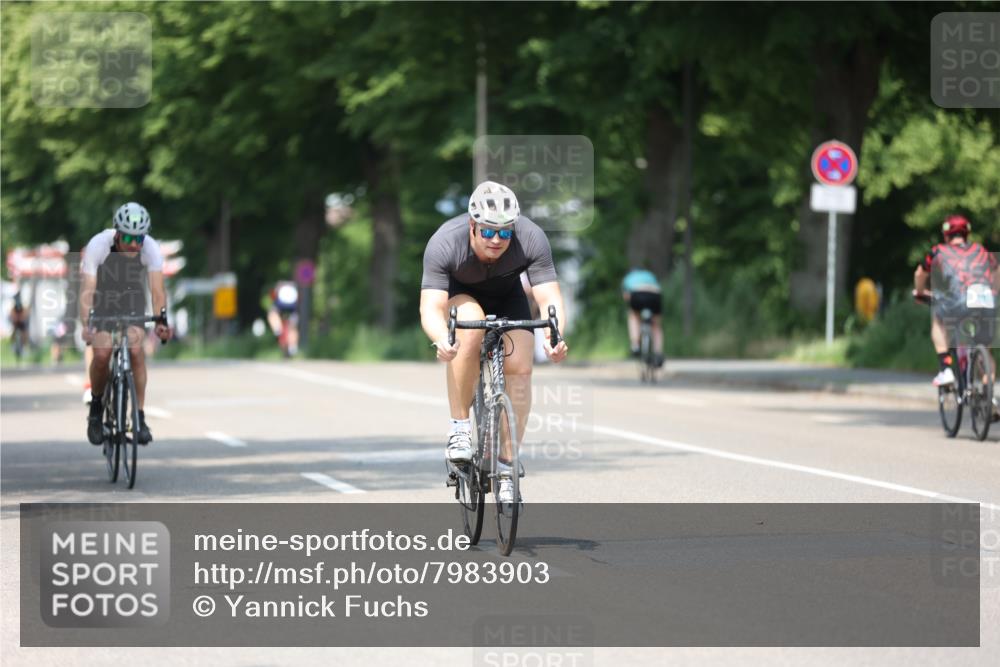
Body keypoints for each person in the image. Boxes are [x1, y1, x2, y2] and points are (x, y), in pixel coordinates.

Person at [419, 181, 569, 504]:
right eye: (487, 232)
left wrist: (555, 336)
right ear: (472, 225)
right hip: (462, 297)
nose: (497, 240)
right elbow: (430, 306)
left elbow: (549, 297)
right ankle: (459, 428)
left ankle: (507, 465)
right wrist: (440, 338)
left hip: (508, 297)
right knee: (469, 329)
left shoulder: (531, 238)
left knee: (521, 368)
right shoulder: (445, 243)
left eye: (504, 232)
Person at [80, 202, 173, 446]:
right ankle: (97, 408)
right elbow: (87, 291)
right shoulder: (98, 245)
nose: (134, 244)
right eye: (129, 237)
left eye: (139, 238)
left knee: (135, 351)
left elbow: (156, 291)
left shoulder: (150, 248)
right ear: (118, 233)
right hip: (103, 297)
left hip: (132, 296)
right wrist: (86, 324)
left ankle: (139, 418)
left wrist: (161, 320)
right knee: (101, 355)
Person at [913, 214, 999, 386]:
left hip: (961, 299)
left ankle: (945, 369)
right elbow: (997, 271)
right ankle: (990, 397)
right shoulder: (980, 250)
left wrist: (920, 292)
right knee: (985, 348)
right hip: (986, 298)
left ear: (946, 234)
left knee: (938, 320)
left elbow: (920, 273)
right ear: (966, 233)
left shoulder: (939, 251)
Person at [621, 266, 664, 366]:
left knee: (633, 316)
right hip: (655, 295)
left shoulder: (628, 277)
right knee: (656, 325)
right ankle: (658, 353)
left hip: (637, 293)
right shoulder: (649, 275)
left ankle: (635, 345)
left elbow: (626, 297)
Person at [8, 292, 30, 361]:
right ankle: (13, 344)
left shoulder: (22, 305)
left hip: (22, 322)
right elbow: (12, 314)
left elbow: (25, 313)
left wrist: (22, 318)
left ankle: (24, 347)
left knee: (24, 333)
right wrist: (14, 319)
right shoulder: (14, 307)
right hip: (16, 322)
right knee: (14, 331)